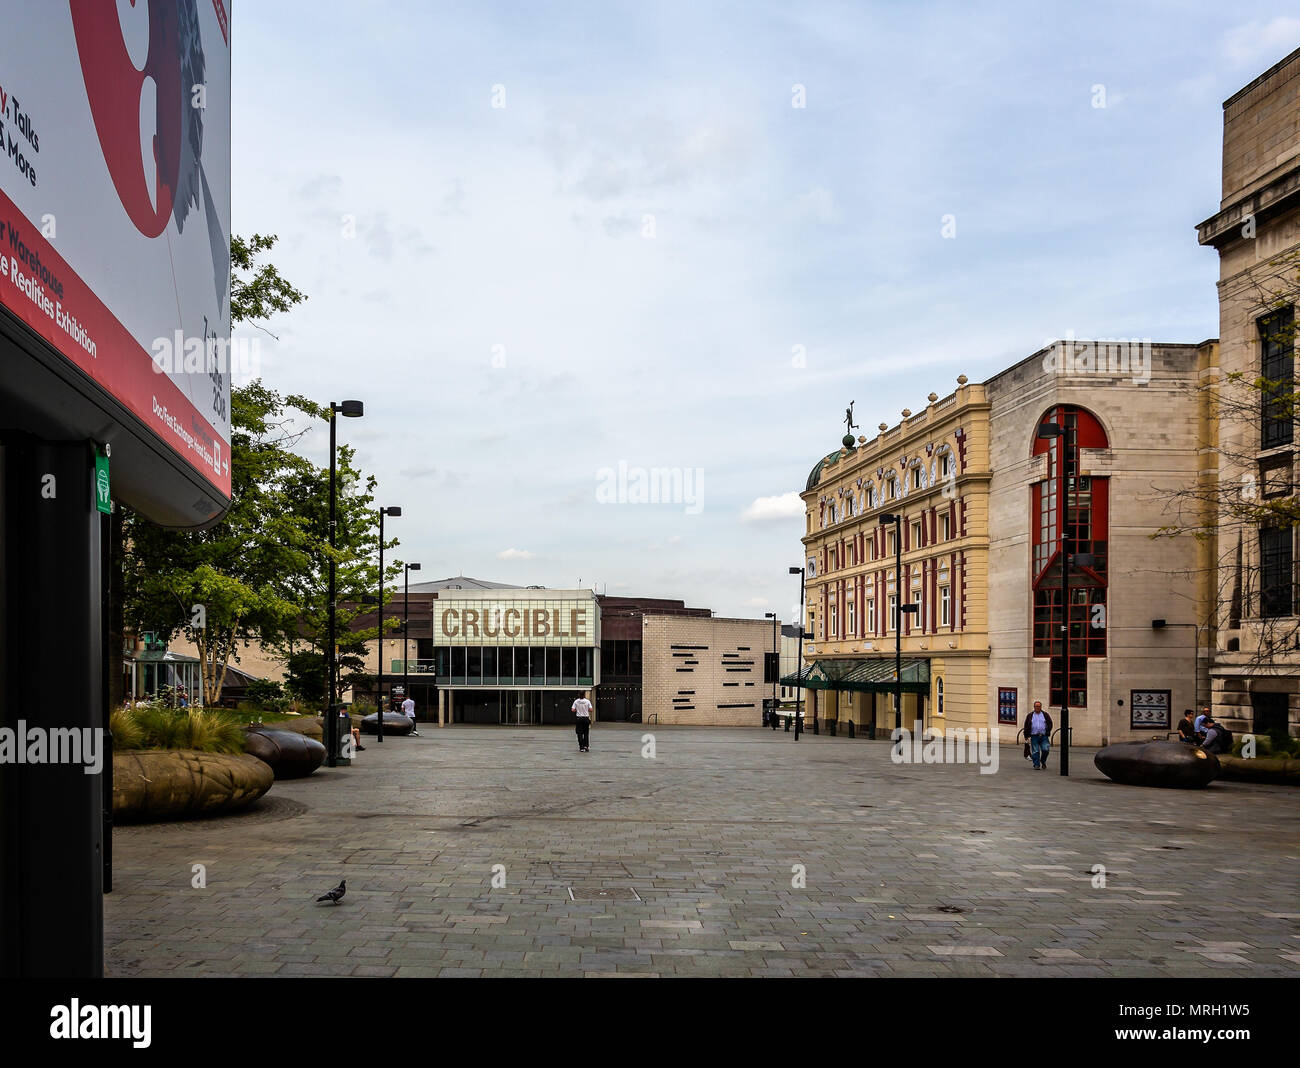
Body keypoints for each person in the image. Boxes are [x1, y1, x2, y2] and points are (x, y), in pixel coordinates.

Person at [1021, 700, 1053, 770]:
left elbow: (1050, 723)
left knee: (1046, 749)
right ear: (1034, 707)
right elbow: (1026, 725)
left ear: (1041, 707)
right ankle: (1036, 764)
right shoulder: (1030, 715)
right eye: (1036, 706)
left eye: (1039, 706)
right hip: (1034, 735)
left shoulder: (1045, 715)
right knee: (1035, 751)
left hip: (1043, 735)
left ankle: (1043, 761)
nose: (1037, 708)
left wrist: (1048, 731)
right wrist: (1026, 736)